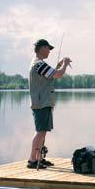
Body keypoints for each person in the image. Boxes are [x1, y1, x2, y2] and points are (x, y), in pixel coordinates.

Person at [27, 39, 72, 169]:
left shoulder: (38, 64)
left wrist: (58, 66)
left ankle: (39, 158)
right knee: (40, 131)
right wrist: (65, 64)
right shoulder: (39, 64)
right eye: (48, 49)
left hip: (43, 103)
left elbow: (51, 74)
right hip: (41, 103)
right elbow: (58, 75)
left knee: (43, 131)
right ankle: (32, 159)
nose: (50, 51)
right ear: (42, 48)